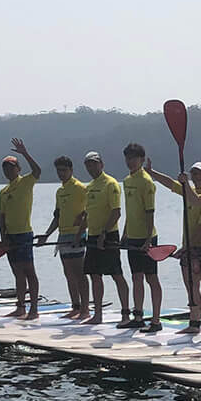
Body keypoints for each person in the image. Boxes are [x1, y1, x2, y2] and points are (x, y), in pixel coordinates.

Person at [148, 157, 201, 336]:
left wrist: (188, 248)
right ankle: (194, 323)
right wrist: (152, 173)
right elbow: (170, 184)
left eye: (200, 174)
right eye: (194, 174)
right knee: (192, 288)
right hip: (188, 249)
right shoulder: (188, 193)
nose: (197, 177)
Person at [119, 142, 164, 332]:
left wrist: (147, 240)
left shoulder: (146, 181)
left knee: (151, 278)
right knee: (136, 277)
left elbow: (149, 212)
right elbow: (130, 211)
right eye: (128, 158)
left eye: (134, 158)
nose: (130, 162)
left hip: (148, 238)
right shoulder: (127, 180)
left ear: (142, 160)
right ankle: (138, 316)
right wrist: (125, 234)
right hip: (132, 237)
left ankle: (156, 320)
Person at [0, 139, 45, 319]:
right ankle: (20, 307)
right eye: (5, 168)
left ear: (18, 168)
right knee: (17, 272)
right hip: (10, 236)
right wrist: (3, 237)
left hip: (24, 234)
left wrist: (24, 153)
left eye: (11, 167)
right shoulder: (4, 191)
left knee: (29, 271)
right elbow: (1, 216)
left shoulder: (26, 182)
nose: (8, 171)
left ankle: (34, 309)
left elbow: (38, 171)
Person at [81, 151, 128, 325]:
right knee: (94, 275)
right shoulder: (90, 186)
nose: (91, 167)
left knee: (116, 274)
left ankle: (125, 314)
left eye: (94, 163)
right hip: (92, 236)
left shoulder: (111, 183)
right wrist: (79, 234)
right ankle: (98, 314)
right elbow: (88, 214)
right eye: (88, 164)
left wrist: (104, 234)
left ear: (101, 164)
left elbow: (116, 212)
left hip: (109, 236)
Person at [42, 156, 89, 319]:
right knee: (68, 273)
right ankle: (75, 306)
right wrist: (47, 234)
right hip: (63, 235)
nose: (61, 173)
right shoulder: (60, 192)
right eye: (58, 170)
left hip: (78, 235)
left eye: (64, 170)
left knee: (80, 274)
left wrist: (81, 226)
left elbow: (90, 210)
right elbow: (57, 216)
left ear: (71, 170)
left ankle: (85, 309)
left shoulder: (80, 188)